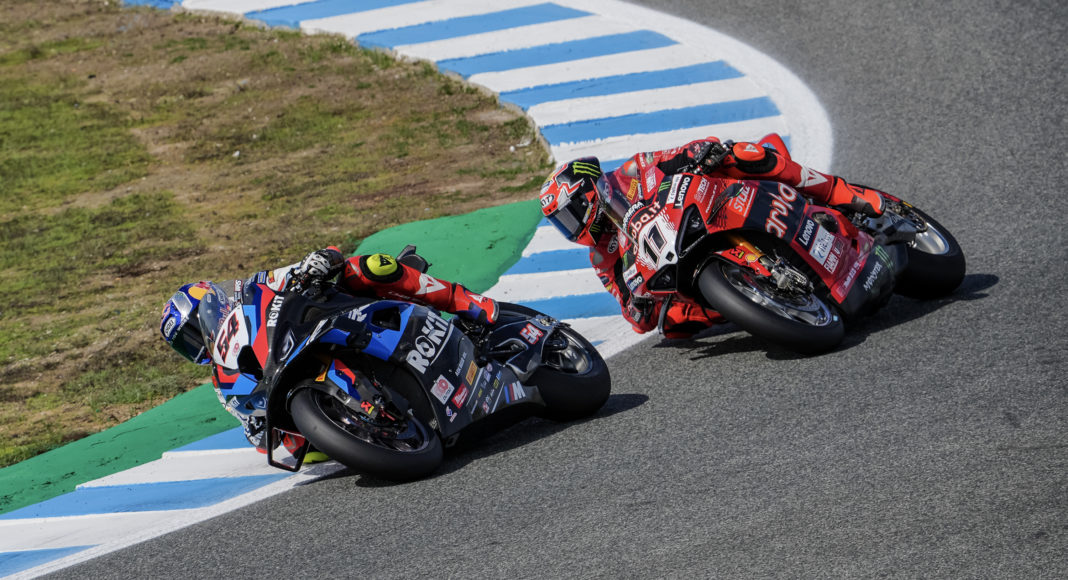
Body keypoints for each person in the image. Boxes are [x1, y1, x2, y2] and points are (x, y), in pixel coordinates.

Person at [159, 246, 498, 458]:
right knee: (302, 451)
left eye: (195, 329)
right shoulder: (224, 379)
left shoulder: (254, 287)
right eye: (188, 344)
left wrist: (317, 263)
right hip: (305, 384)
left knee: (369, 266)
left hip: (334, 316)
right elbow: (259, 437)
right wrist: (260, 426)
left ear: (214, 303)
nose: (199, 341)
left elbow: (327, 255)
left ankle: (466, 302)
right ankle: (376, 427)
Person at [538, 135, 887, 339]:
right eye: (561, 223)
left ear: (589, 191)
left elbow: (674, 157)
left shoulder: (631, 171)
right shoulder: (602, 257)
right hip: (677, 265)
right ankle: (757, 301)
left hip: (705, 209)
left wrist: (698, 153)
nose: (572, 226)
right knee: (671, 327)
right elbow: (630, 312)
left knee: (742, 154)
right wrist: (637, 307)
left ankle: (839, 192)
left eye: (571, 213)